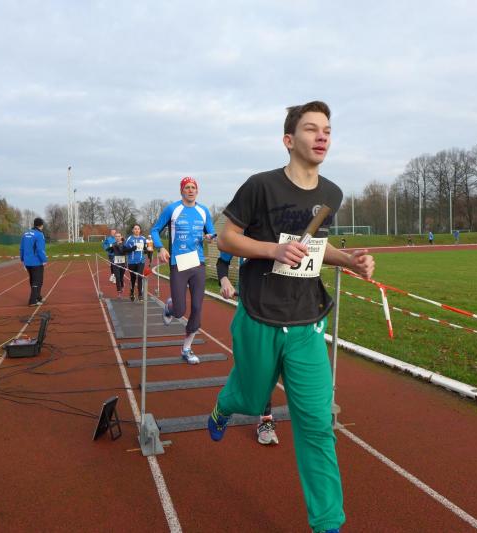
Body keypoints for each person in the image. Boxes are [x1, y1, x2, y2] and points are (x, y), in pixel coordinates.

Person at [207, 101, 374, 533]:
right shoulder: (260, 187)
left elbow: (316, 248)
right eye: (311, 129)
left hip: (306, 320)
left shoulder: (331, 194)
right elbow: (226, 237)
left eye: (327, 130)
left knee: (317, 425)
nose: (322, 136)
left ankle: (327, 523)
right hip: (259, 315)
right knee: (251, 400)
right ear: (288, 139)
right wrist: (274, 250)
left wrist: (349, 260)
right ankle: (225, 405)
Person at [151, 177, 216, 364]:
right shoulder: (173, 209)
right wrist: (160, 248)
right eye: (187, 187)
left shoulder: (203, 211)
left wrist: (211, 237)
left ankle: (186, 348)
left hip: (198, 262)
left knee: (197, 308)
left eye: (193, 187)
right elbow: (155, 230)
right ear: (181, 191)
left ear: (197, 191)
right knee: (180, 312)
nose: (190, 190)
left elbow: (211, 232)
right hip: (178, 263)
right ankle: (170, 307)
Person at [217, 251, 279, 446]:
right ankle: (263, 419)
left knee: (277, 365)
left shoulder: (291, 233)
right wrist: (224, 281)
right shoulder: (242, 235)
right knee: (260, 366)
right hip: (252, 307)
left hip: (287, 307)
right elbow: (222, 262)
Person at [20, 217, 48, 306]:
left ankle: (38, 297)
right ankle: (32, 301)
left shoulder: (25, 234)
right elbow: (40, 249)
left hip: (27, 262)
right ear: (41, 225)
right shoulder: (39, 234)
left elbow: (22, 248)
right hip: (36, 262)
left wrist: (22, 260)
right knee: (38, 281)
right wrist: (44, 259)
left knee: (33, 280)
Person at [125, 224, 147, 301]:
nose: (137, 230)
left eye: (138, 229)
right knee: (133, 278)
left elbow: (146, 249)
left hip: (141, 261)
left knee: (140, 276)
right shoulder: (129, 239)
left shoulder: (143, 239)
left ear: (140, 230)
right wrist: (131, 249)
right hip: (131, 262)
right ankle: (131, 292)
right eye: (135, 229)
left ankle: (140, 294)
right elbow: (125, 250)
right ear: (132, 230)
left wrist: (146, 249)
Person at [110, 233, 128, 298]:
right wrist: (110, 249)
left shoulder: (124, 244)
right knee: (117, 277)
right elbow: (111, 252)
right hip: (115, 263)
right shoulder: (113, 244)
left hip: (123, 263)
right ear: (115, 237)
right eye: (116, 236)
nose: (117, 237)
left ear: (121, 237)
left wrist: (119, 247)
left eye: (119, 236)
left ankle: (122, 285)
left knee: (121, 277)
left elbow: (124, 252)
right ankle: (119, 292)